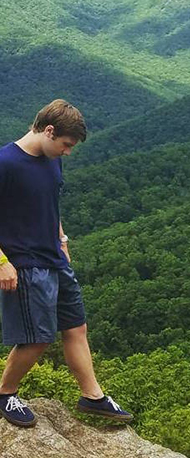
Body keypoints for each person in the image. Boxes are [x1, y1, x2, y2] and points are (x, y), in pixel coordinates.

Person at [0, 99, 132, 428]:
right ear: (48, 131)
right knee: (38, 338)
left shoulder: (51, 159)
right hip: (25, 262)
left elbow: (50, 203)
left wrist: (62, 239)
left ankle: (92, 397)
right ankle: (5, 393)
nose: (68, 152)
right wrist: (2, 262)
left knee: (75, 327)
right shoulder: (6, 163)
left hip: (54, 257)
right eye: (66, 145)